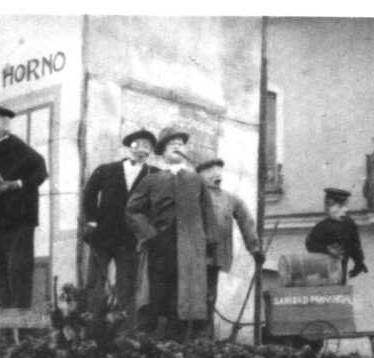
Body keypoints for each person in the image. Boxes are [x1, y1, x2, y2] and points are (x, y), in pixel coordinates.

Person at [125, 127, 218, 340]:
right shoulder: (152, 180)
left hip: (191, 245)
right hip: (161, 243)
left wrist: (211, 244)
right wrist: (150, 235)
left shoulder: (197, 181)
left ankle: (179, 343)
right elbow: (132, 210)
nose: (176, 146)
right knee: (157, 292)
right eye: (170, 144)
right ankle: (154, 341)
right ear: (162, 154)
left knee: (185, 293)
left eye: (180, 144)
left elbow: (208, 214)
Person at [80, 129, 160, 316]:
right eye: (137, 145)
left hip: (130, 238)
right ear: (129, 147)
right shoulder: (106, 169)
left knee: (127, 283)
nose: (141, 149)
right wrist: (91, 221)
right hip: (103, 234)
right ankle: (93, 323)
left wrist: (148, 230)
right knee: (95, 280)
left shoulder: (154, 174)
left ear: (150, 151)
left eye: (146, 146)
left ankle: (120, 328)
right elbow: (90, 195)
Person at [0, 105, 49, 309]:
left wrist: (15, 184)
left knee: (18, 273)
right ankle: (6, 329)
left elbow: (41, 173)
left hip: (19, 220)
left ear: (7, 125)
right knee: (1, 275)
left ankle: (21, 330)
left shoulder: (19, 147)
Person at [196, 157, 264, 334]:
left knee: (210, 296)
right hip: (193, 255)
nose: (217, 175)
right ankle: (189, 338)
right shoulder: (193, 196)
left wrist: (254, 248)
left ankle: (205, 336)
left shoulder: (230, 199)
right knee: (193, 296)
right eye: (211, 172)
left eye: (219, 172)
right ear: (200, 175)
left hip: (216, 255)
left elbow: (246, 221)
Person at [305, 187, 367, 282]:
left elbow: (355, 244)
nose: (344, 210)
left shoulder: (349, 223)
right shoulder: (322, 226)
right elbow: (310, 244)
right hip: (323, 272)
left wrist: (359, 262)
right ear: (327, 207)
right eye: (339, 207)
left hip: (341, 270)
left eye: (345, 206)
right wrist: (327, 249)